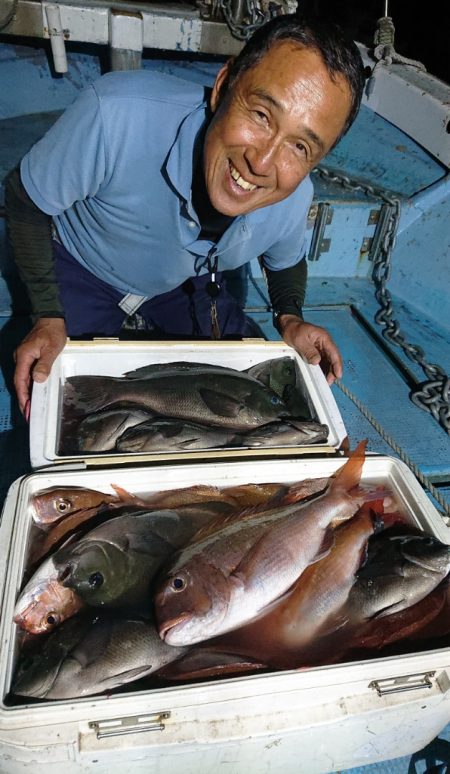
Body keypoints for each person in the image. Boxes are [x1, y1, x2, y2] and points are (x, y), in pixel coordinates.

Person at [5, 12, 365, 417]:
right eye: (261, 115)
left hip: (183, 283)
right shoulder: (116, 114)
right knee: (58, 402)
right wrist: (47, 314)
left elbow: (286, 261)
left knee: (248, 391)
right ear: (223, 86)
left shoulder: (294, 195)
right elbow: (24, 199)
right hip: (83, 265)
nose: (262, 163)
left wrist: (291, 317)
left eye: (300, 147)